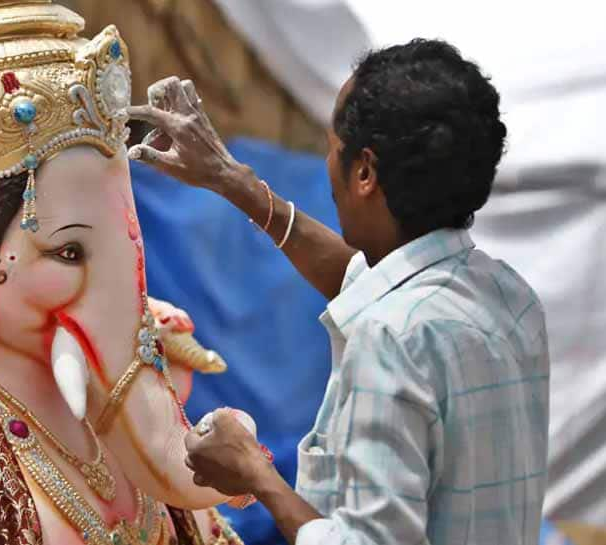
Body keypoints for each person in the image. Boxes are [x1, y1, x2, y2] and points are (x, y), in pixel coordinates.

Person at [128, 38, 550, 545]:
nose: (328, 167)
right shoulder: (509, 297)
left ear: (365, 172)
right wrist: (231, 180)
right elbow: (361, 278)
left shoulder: (389, 338)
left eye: (331, 147)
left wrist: (255, 475)